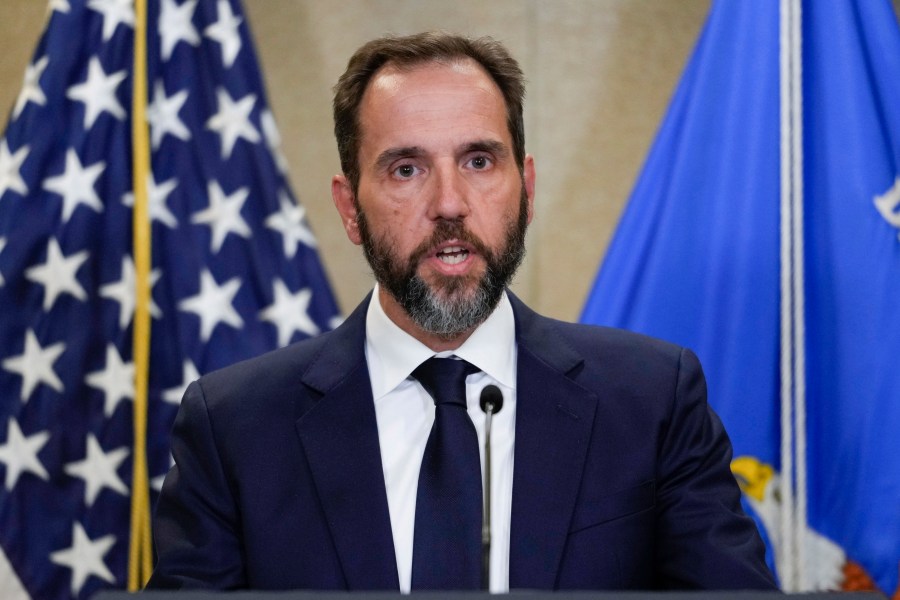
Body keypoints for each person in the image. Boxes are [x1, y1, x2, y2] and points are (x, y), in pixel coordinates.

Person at [147, 31, 776, 592]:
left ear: (526, 190)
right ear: (349, 208)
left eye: (479, 161)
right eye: (406, 169)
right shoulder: (235, 428)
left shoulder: (651, 402)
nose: (449, 203)